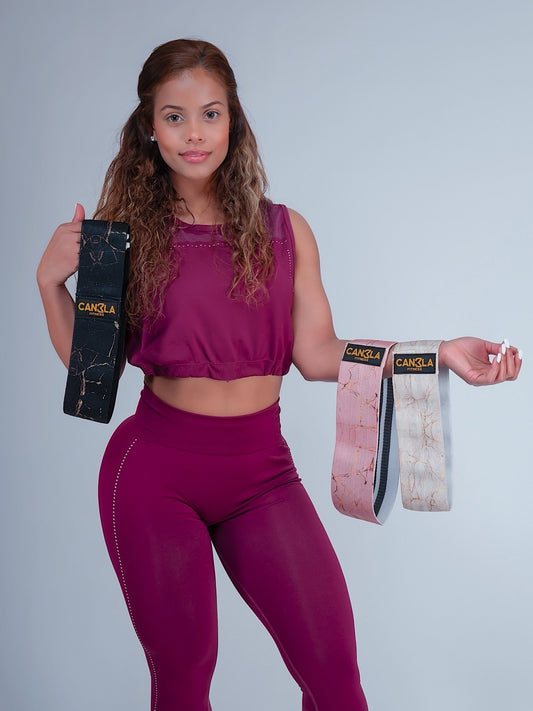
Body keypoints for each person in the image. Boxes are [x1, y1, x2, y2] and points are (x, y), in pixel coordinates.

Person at [36, 39, 521, 711]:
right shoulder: (120, 239)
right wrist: (49, 283)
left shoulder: (285, 232)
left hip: (261, 474)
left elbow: (318, 353)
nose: (194, 133)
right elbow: (95, 371)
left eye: (209, 114)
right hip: (153, 472)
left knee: (334, 678)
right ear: (149, 125)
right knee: (183, 678)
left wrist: (434, 353)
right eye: (174, 116)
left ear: (232, 119)